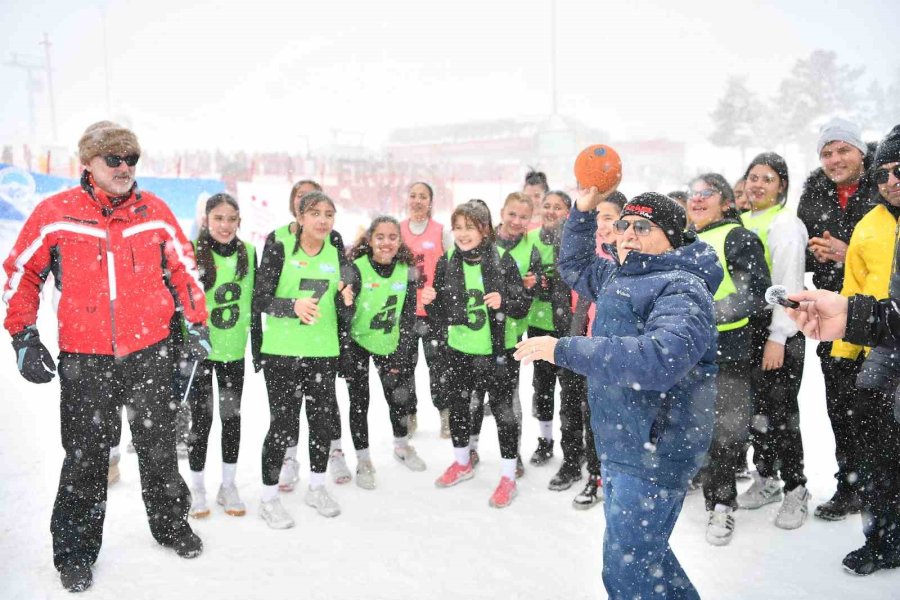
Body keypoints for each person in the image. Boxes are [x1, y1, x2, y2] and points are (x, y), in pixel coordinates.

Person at [3, 121, 207, 592]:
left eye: (130, 158)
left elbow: (183, 266)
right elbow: (21, 273)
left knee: (158, 449)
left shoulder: (154, 212)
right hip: (85, 357)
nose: (123, 167)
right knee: (85, 458)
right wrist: (24, 336)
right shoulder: (55, 213)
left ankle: (171, 526)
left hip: (148, 353)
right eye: (113, 158)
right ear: (89, 163)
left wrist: (196, 323)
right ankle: (74, 551)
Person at [516, 189, 721, 599]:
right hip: (623, 442)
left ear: (673, 236)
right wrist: (583, 211)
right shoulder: (621, 274)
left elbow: (661, 359)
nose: (627, 234)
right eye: (624, 224)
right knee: (647, 558)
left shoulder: (681, 288)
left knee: (627, 572)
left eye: (643, 227)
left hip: (655, 451)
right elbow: (573, 264)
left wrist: (564, 348)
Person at [787, 124, 900, 575]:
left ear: (860, 153)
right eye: (886, 174)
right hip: (868, 336)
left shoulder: (873, 212)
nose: (893, 181)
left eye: (843, 150)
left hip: (876, 330)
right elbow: (862, 284)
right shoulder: (867, 219)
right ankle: (882, 533)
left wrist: (843, 248)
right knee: (869, 438)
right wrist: (848, 335)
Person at [253, 190, 352, 527]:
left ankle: (317, 487)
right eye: (315, 213)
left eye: (329, 214)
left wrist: (347, 292)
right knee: (282, 425)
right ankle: (268, 498)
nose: (322, 220)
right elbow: (261, 297)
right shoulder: (280, 246)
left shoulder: (335, 249)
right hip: (282, 352)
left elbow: (350, 279)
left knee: (322, 422)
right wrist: (291, 305)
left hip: (323, 351)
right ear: (300, 217)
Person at [797, 117, 877, 521]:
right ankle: (851, 484)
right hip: (834, 313)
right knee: (840, 403)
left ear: (861, 152)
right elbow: (810, 249)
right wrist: (820, 255)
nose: (834, 159)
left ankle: (884, 488)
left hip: (878, 311)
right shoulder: (813, 195)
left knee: (878, 404)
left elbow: (881, 248)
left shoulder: (884, 188)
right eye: (827, 152)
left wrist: (850, 254)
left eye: (843, 149)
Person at [426, 199, 530, 507]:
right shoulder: (447, 260)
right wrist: (432, 302)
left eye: (469, 227)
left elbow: (522, 303)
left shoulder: (502, 259)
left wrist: (505, 301)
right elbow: (441, 315)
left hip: (498, 351)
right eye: (457, 227)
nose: (462, 234)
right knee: (459, 407)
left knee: (503, 413)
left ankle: (508, 477)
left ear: (484, 229)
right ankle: (462, 462)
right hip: (460, 349)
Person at [686, 173, 770, 546]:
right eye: (693, 194)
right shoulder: (686, 240)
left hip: (727, 350)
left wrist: (705, 313)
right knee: (694, 427)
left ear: (725, 202)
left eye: (707, 193)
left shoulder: (736, 236)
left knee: (722, 431)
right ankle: (702, 486)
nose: (697, 199)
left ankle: (721, 505)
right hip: (688, 350)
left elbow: (756, 293)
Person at [737, 152, 811, 530]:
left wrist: (777, 337)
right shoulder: (743, 220)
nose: (757, 185)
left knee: (781, 415)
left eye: (767, 178)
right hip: (746, 333)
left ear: (781, 185)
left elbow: (789, 286)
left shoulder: (785, 224)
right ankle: (766, 479)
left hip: (777, 333)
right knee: (756, 413)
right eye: (753, 177)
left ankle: (797, 488)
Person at [186, 193, 260, 519]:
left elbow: (256, 304)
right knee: (201, 421)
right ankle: (197, 486)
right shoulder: (191, 254)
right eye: (219, 218)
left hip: (232, 352)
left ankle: (227, 484)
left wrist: (258, 346)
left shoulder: (249, 253)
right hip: (200, 353)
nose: (225, 225)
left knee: (232, 418)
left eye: (231, 219)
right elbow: (179, 303)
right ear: (206, 220)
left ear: (239, 221)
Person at [341, 216, 427, 489]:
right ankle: (363, 459)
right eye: (380, 237)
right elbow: (343, 312)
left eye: (392, 237)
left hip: (388, 343)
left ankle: (401, 445)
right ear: (370, 239)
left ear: (399, 241)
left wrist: (402, 350)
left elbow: (408, 314)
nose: (386, 243)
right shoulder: (356, 268)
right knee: (359, 402)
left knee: (398, 399)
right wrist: (344, 350)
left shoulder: (406, 269)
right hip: (358, 342)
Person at [468, 192, 539, 473]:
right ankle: (470, 447)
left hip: (510, 335)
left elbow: (530, 294)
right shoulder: (483, 243)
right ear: (501, 212)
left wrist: (530, 285)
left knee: (508, 399)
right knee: (474, 395)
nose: (517, 221)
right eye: (512, 214)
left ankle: (514, 453)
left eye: (523, 217)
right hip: (477, 333)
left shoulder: (530, 249)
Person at [570, 190, 627, 509]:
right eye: (597, 218)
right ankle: (595, 475)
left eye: (609, 217)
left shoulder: (631, 256)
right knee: (593, 415)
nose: (602, 225)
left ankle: (623, 480)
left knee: (624, 417)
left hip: (623, 351)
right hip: (592, 347)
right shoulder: (591, 256)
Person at [525, 190, 574, 468]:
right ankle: (544, 441)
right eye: (547, 206)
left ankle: (572, 446)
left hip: (567, 327)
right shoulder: (530, 238)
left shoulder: (572, 241)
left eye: (558, 207)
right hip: (538, 323)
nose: (551, 211)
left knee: (569, 392)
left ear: (568, 212)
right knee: (542, 387)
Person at [399, 181, 452, 437]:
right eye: (413, 195)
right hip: (405, 312)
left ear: (430, 202)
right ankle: (409, 415)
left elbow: (454, 267)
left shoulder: (440, 231)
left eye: (423, 196)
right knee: (404, 367)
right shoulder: (396, 231)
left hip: (434, 313)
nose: (417, 200)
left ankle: (445, 414)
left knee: (440, 367)